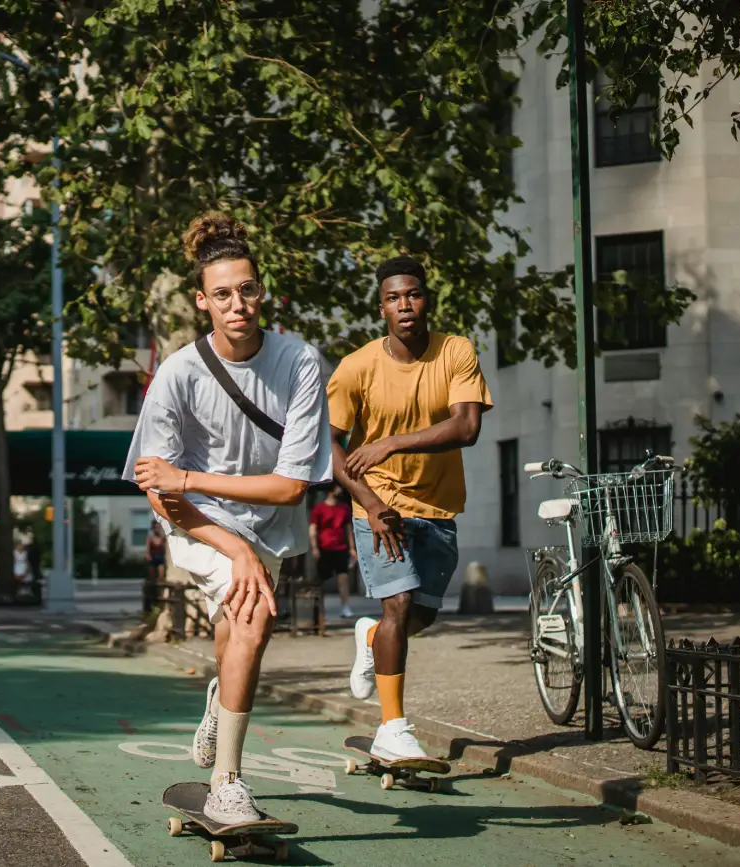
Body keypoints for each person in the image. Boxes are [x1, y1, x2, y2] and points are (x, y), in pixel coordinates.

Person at [126, 211, 331, 824]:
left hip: (265, 519)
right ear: (202, 301)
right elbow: (158, 491)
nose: (236, 304)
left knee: (235, 629)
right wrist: (233, 547)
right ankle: (227, 784)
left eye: (247, 289)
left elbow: (291, 488)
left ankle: (223, 700)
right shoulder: (177, 374)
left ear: (261, 292)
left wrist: (188, 478)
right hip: (198, 519)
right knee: (252, 617)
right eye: (222, 294)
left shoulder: (300, 362)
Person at [326, 255, 492, 763]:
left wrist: (390, 443)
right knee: (397, 604)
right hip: (380, 507)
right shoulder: (356, 368)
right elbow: (328, 446)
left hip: (438, 506)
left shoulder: (455, 351)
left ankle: (371, 639)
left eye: (413, 295)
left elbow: (467, 427)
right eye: (394, 298)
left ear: (426, 300)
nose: (405, 305)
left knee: (422, 614)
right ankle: (392, 728)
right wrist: (371, 503)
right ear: (382, 309)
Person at [309, 485, 357, 619]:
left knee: (343, 577)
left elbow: (348, 528)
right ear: (330, 491)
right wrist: (314, 548)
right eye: (337, 488)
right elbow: (313, 528)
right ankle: (320, 610)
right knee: (321, 580)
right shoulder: (319, 508)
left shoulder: (344, 508)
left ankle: (345, 606)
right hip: (324, 547)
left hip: (340, 547)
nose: (340, 490)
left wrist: (352, 548)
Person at [143, 521, 167, 614]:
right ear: (153, 529)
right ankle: (152, 595)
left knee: (161, 577)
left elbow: (165, 549)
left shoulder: (163, 538)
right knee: (152, 577)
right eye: (155, 527)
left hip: (160, 559)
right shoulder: (150, 538)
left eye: (158, 527)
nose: (157, 529)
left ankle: (160, 594)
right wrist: (148, 556)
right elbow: (147, 550)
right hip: (153, 559)